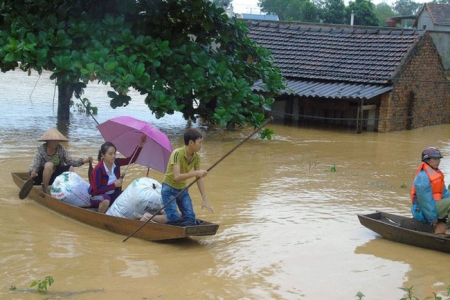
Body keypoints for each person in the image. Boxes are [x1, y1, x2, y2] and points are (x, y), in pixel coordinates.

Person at [142, 128, 213, 225]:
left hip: (182, 190)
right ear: (191, 142)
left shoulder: (196, 157)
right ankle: (148, 216)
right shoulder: (177, 154)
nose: (201, 145)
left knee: (190, 219)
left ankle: (169, 213)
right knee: (173, 219)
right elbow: (177, 177)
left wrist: (204, 198)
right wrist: (196, 173)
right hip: (169, 189)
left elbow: (198, 178)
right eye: (199, 142)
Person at [89, 136, 146, 213]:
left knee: (128, 196)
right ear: (103, 155)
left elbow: (131, 160)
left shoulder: (116, 162)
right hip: (97, 197)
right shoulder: (98, 169)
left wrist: (139, 146)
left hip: (112, 194)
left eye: (114, 153)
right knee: (106, 200)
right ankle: (99, 217)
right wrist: (114, 185)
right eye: (110, 154)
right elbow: (97, 190)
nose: (113, 156)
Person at [29, 128, 92, 194]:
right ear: (48, 141)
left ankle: (72, 189)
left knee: (70, 167)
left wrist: (83, 161)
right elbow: (35, 163)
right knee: (49, 164)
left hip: (54, 177)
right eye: (54, 141)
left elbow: (70, 161)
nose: (56, 143)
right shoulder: (41, 150)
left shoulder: (61, 149)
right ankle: (45, 189)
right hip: (41, 177)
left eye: (57, 141)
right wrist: (33, 171)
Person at [411, 147, 450, 234]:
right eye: (435, 159)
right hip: (423, 210)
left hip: (435, 207)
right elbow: (425, 200)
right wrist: (432, 218)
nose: (438, 161)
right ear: (427, 160)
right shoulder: (423, 176)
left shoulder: (437, 173)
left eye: (438, 159)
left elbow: (445, 194)